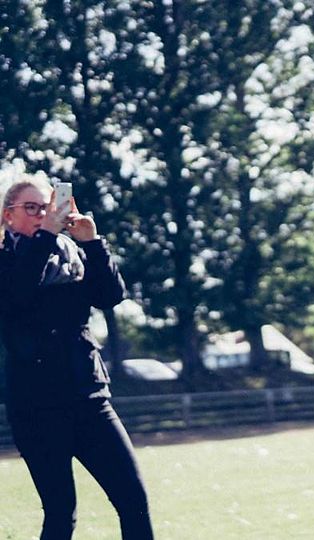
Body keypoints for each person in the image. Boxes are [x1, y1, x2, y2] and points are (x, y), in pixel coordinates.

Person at [0, 177, 153, 539]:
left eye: (48, 207)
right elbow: (18, 295)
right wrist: (47, 235)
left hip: (87, 396)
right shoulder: (6, 261)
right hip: (35, 406)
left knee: (134, 501)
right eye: (32, 208)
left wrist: (92, 242)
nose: (42, 215)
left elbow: (110, 296)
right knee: (61, 513)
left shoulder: (71, 255)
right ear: (8, 216)